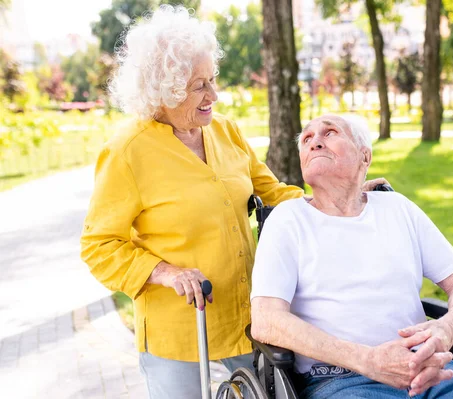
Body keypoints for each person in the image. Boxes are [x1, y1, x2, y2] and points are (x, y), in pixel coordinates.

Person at [80, 6, 385, 398]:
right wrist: (166, 272)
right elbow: (99, 245)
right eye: (198, 86)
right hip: (181, 326)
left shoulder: (224, 130)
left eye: (212, 79)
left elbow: (272, 192)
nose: (214, 95)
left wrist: (346, 195)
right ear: (164, 90)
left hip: (245, 314)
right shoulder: (128, 152)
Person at [250, 114, 453, 398]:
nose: (315, 142)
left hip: (427, 369)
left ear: (364, 156)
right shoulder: (288, 220)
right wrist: (368, 361)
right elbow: (266, 320)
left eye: (329, 133)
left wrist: (447, 329)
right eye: (307, 138)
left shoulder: (397, 209)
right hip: (341, 379)